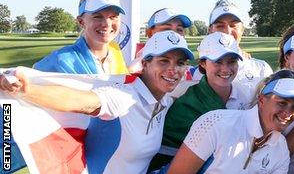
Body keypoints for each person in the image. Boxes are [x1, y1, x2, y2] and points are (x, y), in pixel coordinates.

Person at [0, 30, 195, 174]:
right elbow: (81, 101)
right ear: (144, 64)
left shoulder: (165, 101)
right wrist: (27, 90)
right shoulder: (123, 96)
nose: (173, 70)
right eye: (164, 61)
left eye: (179, 63)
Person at [165, 69, 294, 174]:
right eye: (282, 103)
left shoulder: (281, 148)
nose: (289, 113)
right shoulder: (215, 123)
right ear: (261, 100)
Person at [149, 31, 255, 170]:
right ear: (203, 63)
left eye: (232, 61)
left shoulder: (247, 97)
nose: (225, 68)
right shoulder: (185, 99)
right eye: (218, 61)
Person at [34, 0, 128, 74]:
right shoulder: (61, 60)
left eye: (113, 17)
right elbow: (30, 81)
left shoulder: (115, 51)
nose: (107, 24)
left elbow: (120, 81)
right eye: (97, 17)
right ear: (81, 22)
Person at [188, 0, 272, 87]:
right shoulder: (195, 74)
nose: (227, 32)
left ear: (242, 30)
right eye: (220, 26)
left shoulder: (261, 69)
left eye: (233, 25)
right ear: (210, 31)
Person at [128, 8, 192, 72]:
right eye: (167, 29)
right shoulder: (138, 67)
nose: (174, 34)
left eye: (179, 30)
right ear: (149, 32)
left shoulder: (185, 63)